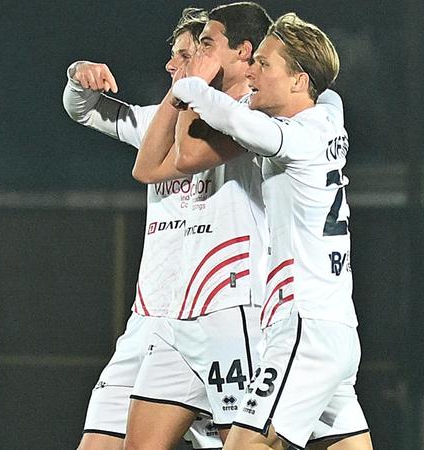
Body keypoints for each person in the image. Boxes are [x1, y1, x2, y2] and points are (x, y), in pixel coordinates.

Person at [171, 12, 374, 450]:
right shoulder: (328, 117)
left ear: (299, 80)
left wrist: (191, 86)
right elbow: (327, 93)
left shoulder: (298, 137)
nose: (251, 72)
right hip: (336, 328)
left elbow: (239, 123)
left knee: (245, 444)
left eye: (264, 64)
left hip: (303, 327)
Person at [62, 8, 223, 450]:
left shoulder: (243, 130)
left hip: (214, 327)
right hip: (148, 326)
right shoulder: (158, 124)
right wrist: (79, 74)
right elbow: (83, 110)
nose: (171, 65)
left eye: (184, 55)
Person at [123, 3, 272, 449]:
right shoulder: (204, 107)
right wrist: (182, 93)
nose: (197, 55)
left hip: (233, 303)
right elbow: (146, 168)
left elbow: (187, 157)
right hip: (184, 312)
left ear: (243, 52)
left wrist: (193, 88)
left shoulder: (255, 112)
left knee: (242, 444)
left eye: (207, 44)